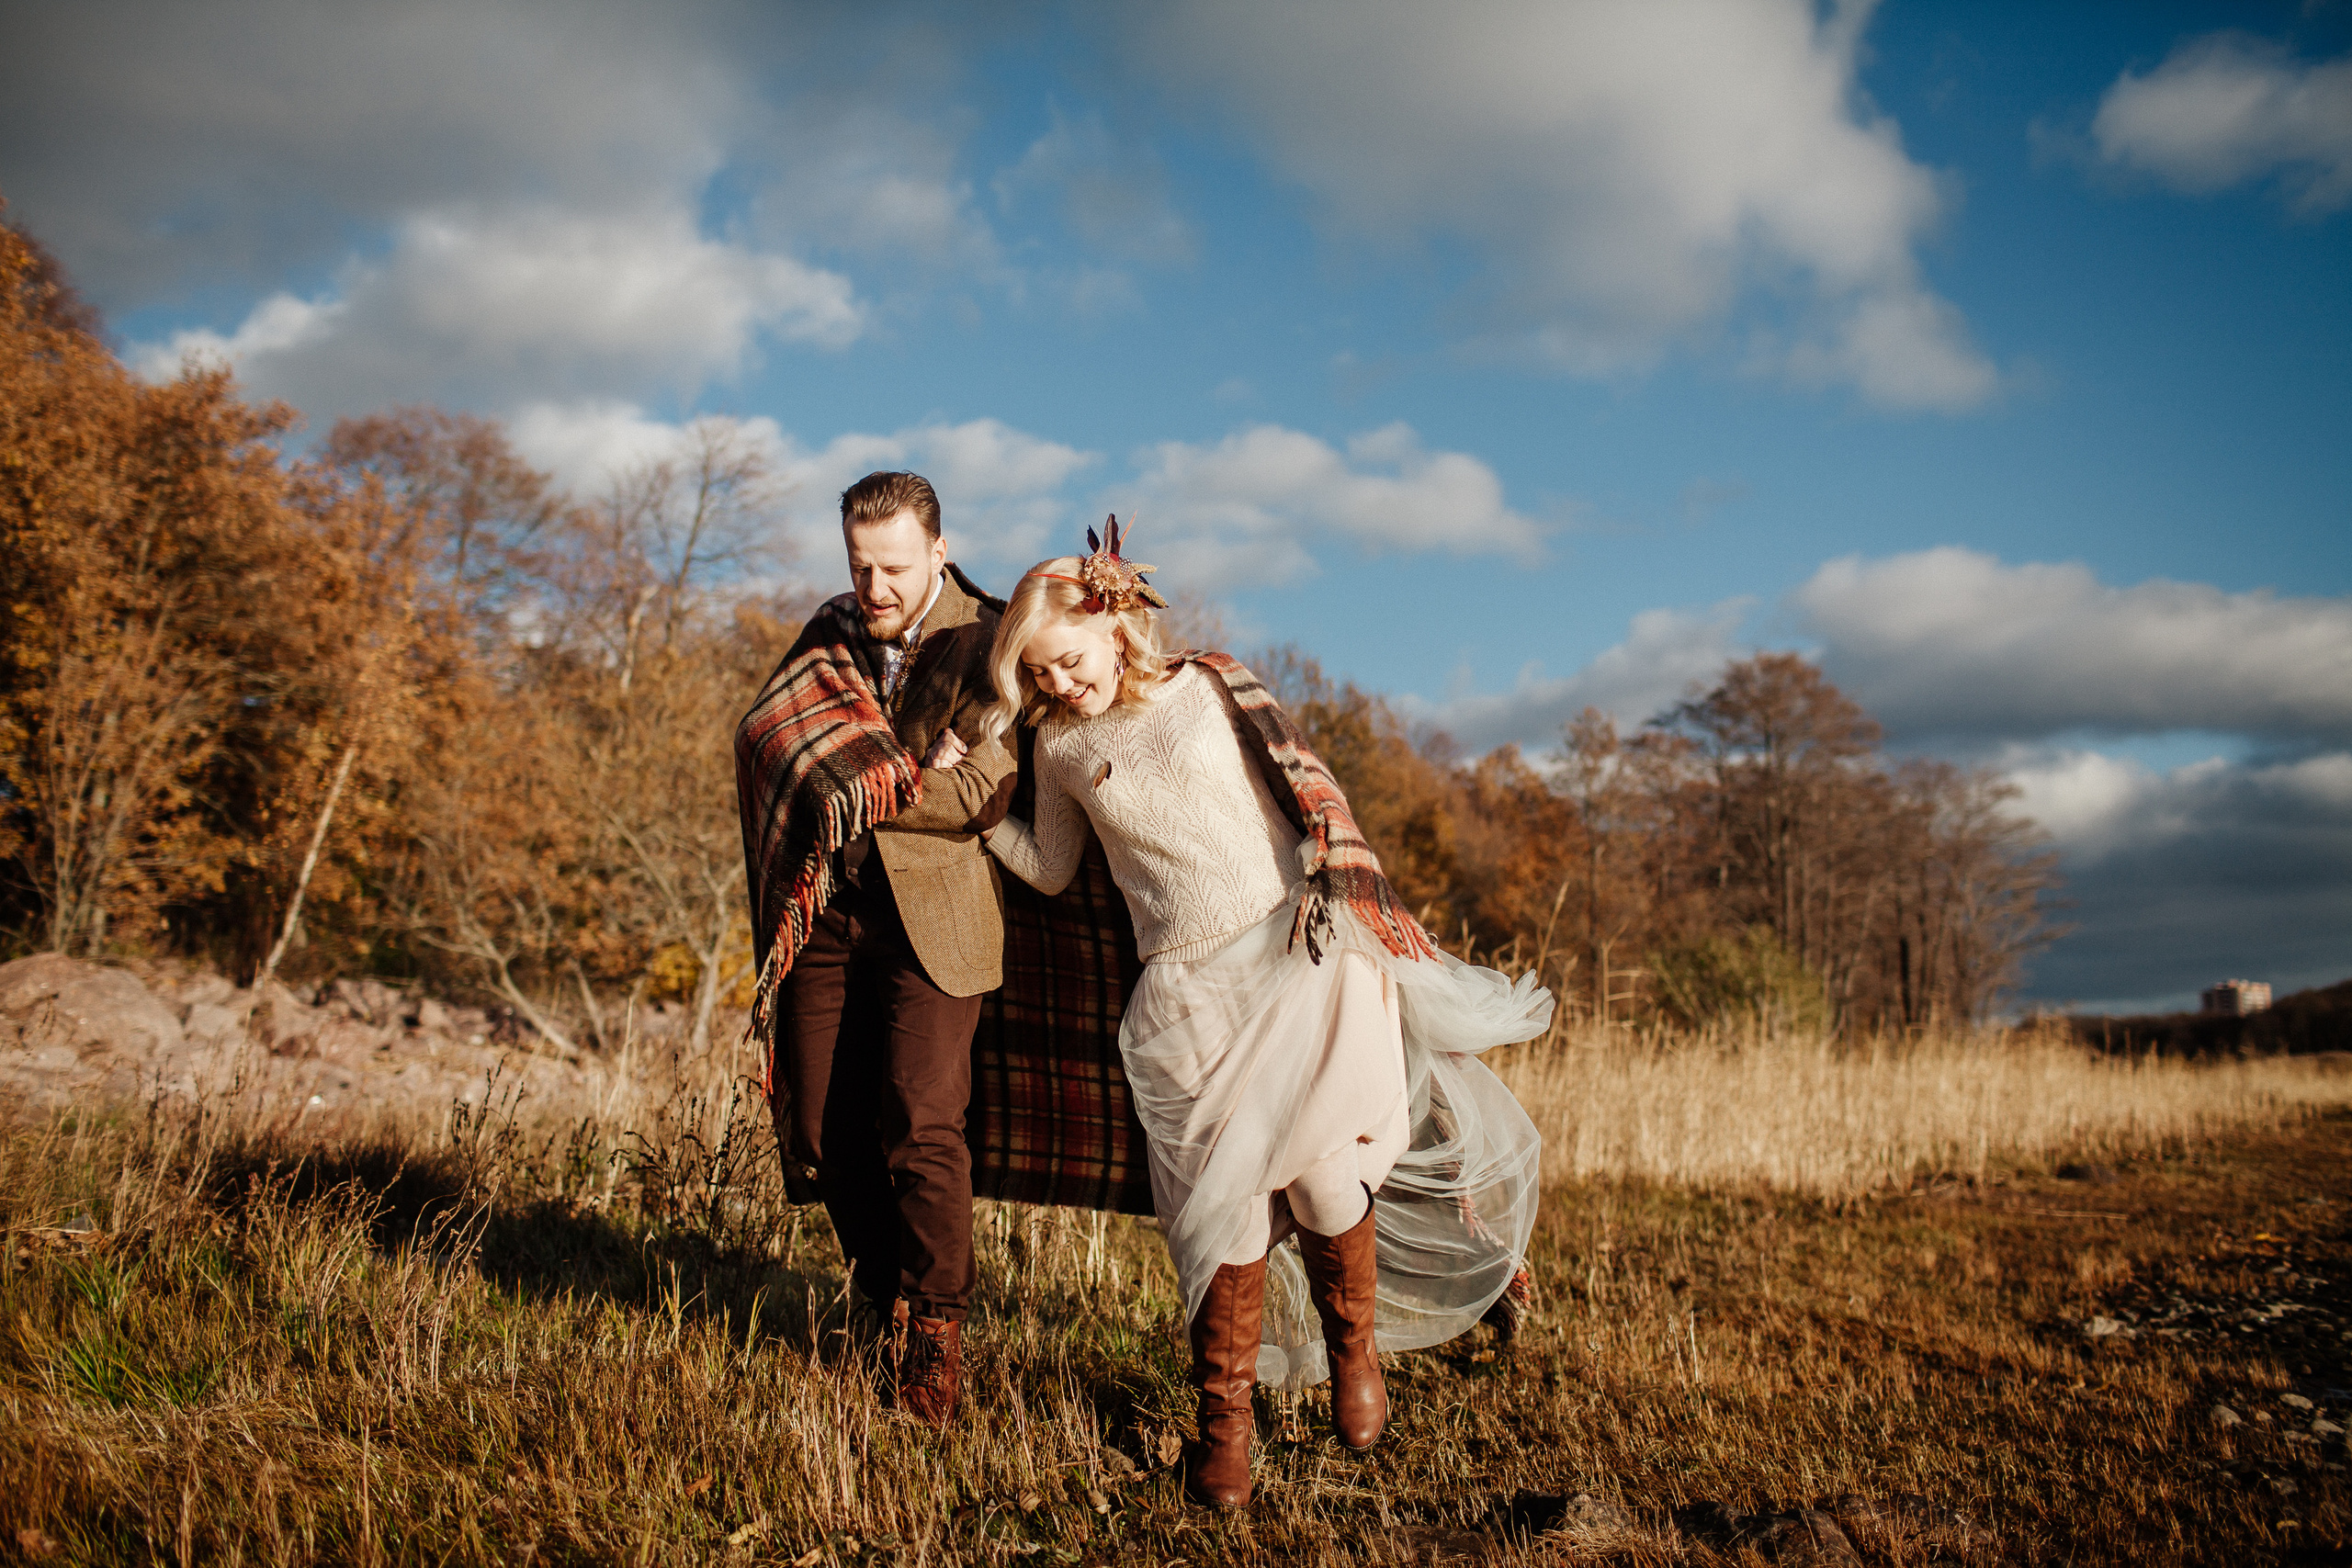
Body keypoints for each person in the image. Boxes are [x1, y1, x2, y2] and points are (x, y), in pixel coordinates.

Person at [932, 520, 1549, 1507]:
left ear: (1114, 622)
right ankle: (1224, 1427)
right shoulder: (1057, 747)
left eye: (1068, 663)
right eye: (1039, 676)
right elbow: (1051, 870)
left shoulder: (1211, 685)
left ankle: (1353, 1356)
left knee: (1317, 1176)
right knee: (1216, 1210)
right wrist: (974, 819)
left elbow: (1309, 794)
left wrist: (1333, 884)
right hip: (1182, 994)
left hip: (1299, 956)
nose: (1059, 686)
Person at [733, 470, 1013, 1428]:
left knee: (919, 1124)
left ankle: (932, 1334)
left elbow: (982, 790)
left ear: (938, 551)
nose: (876, 586)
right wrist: (908, 769)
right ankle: (881, 1293)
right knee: (813, 1130)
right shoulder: (829, 632)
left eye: (894, 567)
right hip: (830, 909)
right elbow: (772, 738)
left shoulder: (994, 637)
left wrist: (880, 779)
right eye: (861, 565)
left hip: (934, 919)